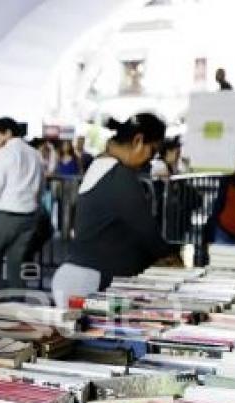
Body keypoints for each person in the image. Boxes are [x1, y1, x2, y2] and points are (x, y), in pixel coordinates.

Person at [52, 114, 176, 307]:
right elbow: (145, 230)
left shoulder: (101, 165)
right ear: (138, 141)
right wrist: (170, 257)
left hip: (81, 278)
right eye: (152, 151)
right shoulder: (118, 175)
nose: (149, 161)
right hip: (90, 283)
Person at [0, 117, 44, 292]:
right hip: (29, 215)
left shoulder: (3, 153)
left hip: (5, 214)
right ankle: (16, 304)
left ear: (8, 133)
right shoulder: (35, 154)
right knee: (15, 263)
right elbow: (41, 185)